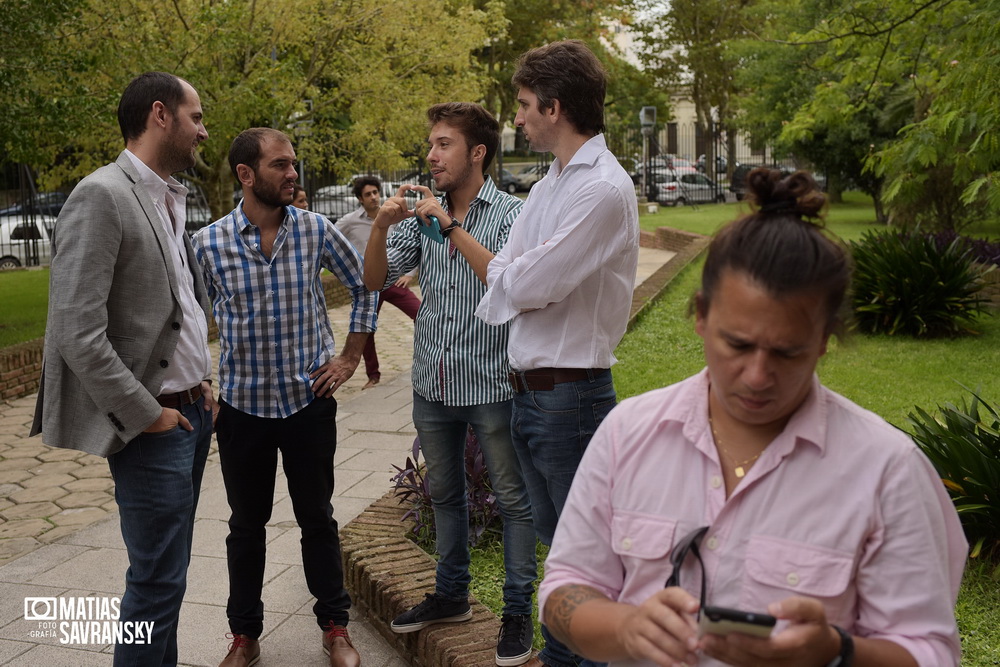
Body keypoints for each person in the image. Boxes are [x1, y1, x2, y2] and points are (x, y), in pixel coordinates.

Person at [538, 168, 968, 667]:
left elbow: (929, 651)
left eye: (787, 352)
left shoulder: (888, 470)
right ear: (700, 314)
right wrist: (626, 627)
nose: (758, 376)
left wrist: (836, 651)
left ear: (825, 341)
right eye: (737, 344)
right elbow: (564, 590)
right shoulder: (628, 433)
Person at [30, 71, 215, 666]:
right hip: (153, 426)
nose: (203, 131)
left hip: (190, 412)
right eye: (196, 117)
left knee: (170, 574)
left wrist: (200, 379)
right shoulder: (102, 194)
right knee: (156, 582)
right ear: (160, 115)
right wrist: (146, 415)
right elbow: (75, 332)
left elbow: (172, 305)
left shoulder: (165, 196)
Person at [475, 40, 640, 667]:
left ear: (555, 106)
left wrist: (516, 278)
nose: (516, 117)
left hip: (571, 397)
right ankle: (562, 654)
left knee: (588, 559)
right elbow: (511, 273)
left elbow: (524, 282)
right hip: (532, 394)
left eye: (522, 105)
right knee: (561, 548)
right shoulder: (551, 183)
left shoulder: (602, 190)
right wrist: (516, 277)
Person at [192, 128, 376, 667]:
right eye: (280, 165)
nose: (292, 173)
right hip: (242, 408)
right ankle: (244, 636)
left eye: (293, 163)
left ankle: (336, 627)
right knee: (245, 526)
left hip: (308, 404)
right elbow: (185, 321)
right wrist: (201, 379)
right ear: (246, 175)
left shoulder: (316, 230)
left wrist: (348, 359)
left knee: (317, 517)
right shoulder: (207, 243)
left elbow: (368, 284)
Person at [363, 102, 537, 667]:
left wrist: (450, 225)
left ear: (477, 152)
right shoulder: (418, 218)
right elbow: (375, 280)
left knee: (512, 500)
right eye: (431, 145)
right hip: (431, 383)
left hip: (491, 384)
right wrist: (383, 224)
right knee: (445, 495)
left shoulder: (513, 214)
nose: (432, 156)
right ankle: (451, 595)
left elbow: (506, 282)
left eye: (444, 144)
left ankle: (516, 613)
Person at [336, 175, 421, 389]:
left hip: (392, 281)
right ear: (359, 199)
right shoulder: (349, 221)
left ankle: (424, 362)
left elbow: (410, 245)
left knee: (421, 314)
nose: (373, 197)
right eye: (368, 194)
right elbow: (330, 243)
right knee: (366, 329)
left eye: (375, 192)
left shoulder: (394, 214)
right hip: (366, 286)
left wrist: (409, 273)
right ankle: (373, 376)